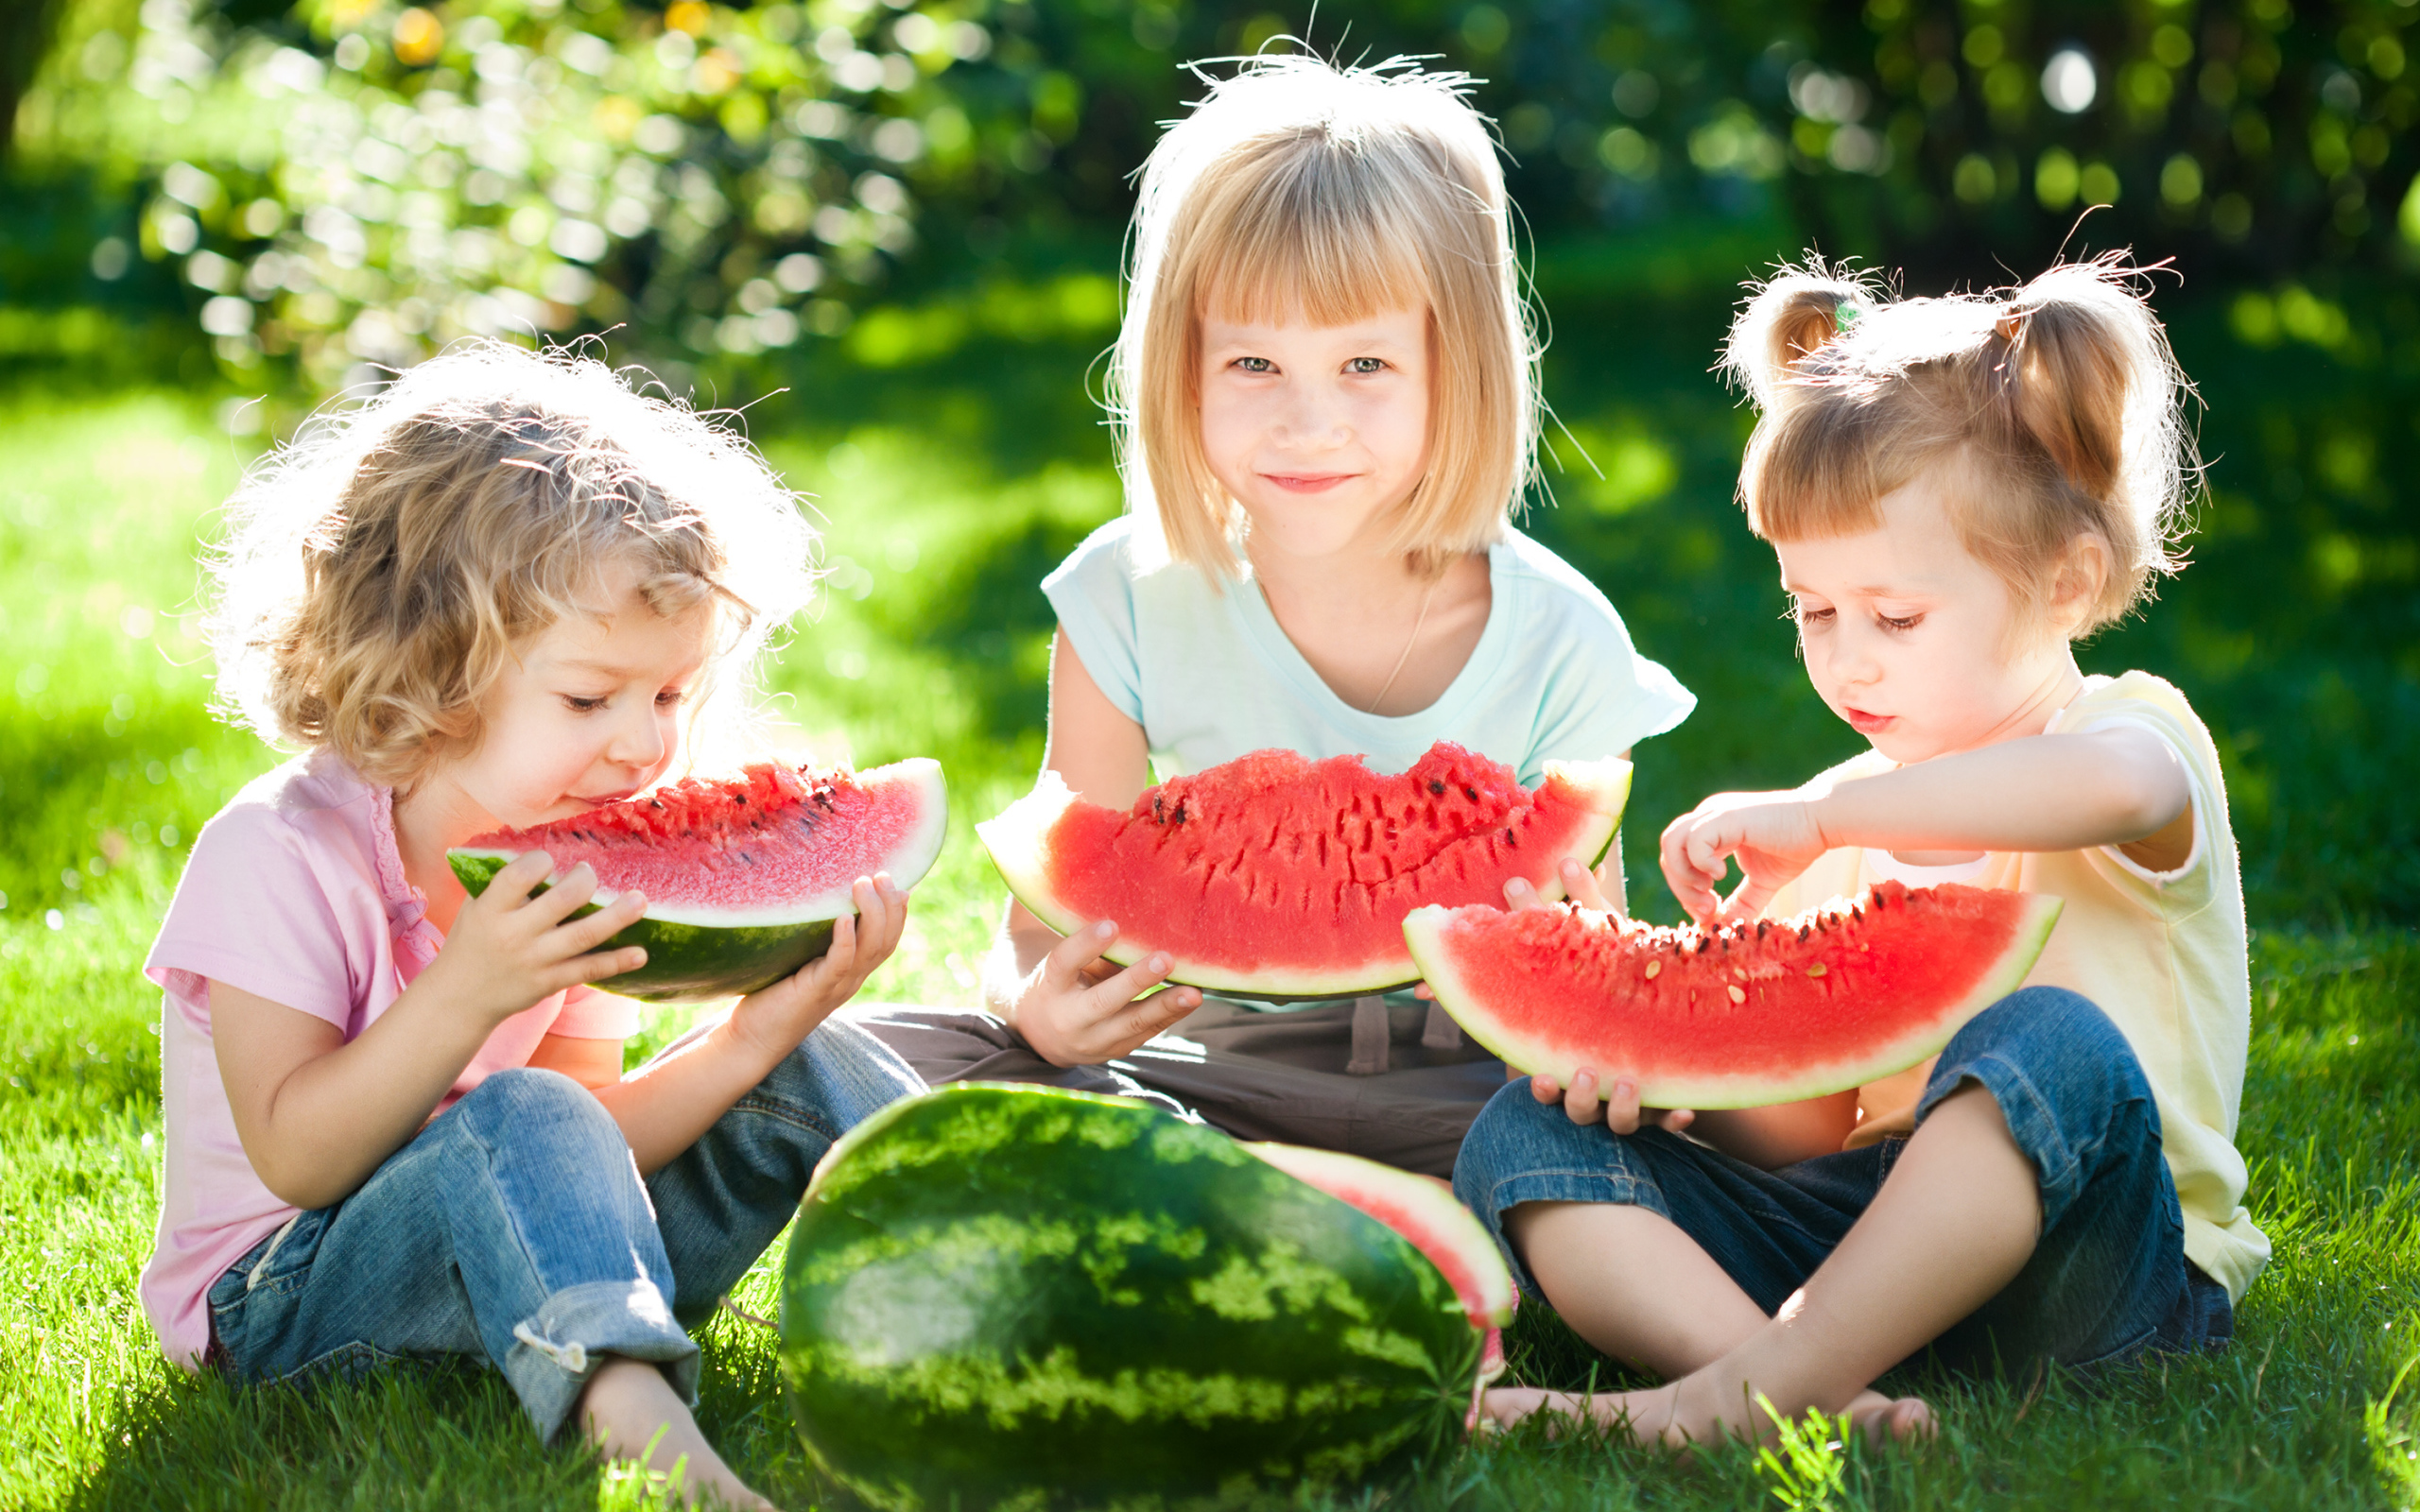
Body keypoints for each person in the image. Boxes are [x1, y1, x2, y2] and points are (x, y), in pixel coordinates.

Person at [1452, 256, 2265, 1446]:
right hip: (1857, 1255)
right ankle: (1809, 1392)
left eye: (1893, 616)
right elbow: (1811, 1124)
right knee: (1518, 1138)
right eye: (1810, 610)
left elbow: (2108, 789)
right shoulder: (1840, 811)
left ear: (2065, 581)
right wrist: (1667, 1071)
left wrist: (1832, 819)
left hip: (2097, 1268)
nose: (1847, 658)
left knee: (2051, 1042)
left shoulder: (2129, 735)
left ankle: (1728, 1398)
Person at [854, 54, 1693, 1177]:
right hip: (1196, 1074)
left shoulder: (1561, 639)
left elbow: (1585, 953)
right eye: (1253, 361)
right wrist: (1038, 1008)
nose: (1308, 424)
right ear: (1178, 367)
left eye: (1364, 364)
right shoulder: (1122, 598)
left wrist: (1606, 1038)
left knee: (1669, 1128)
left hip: (1481, 1100)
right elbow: (1040, 934)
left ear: (1462, 369)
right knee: (861, 1060)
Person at [142, 342, 925, 1509]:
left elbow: (589, 1141)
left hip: (542, 1257)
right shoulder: (276, 854)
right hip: (286, 1300)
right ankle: (655, 1448)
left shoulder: (586, 848)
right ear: (431, 665)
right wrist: (469, 988)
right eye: (587, 697)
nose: (644, 746)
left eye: (668, 694)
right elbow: (297, 1156)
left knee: (822, 1061)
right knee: (524, 1106)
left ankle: (1014, 1292)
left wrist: (758, 1039)